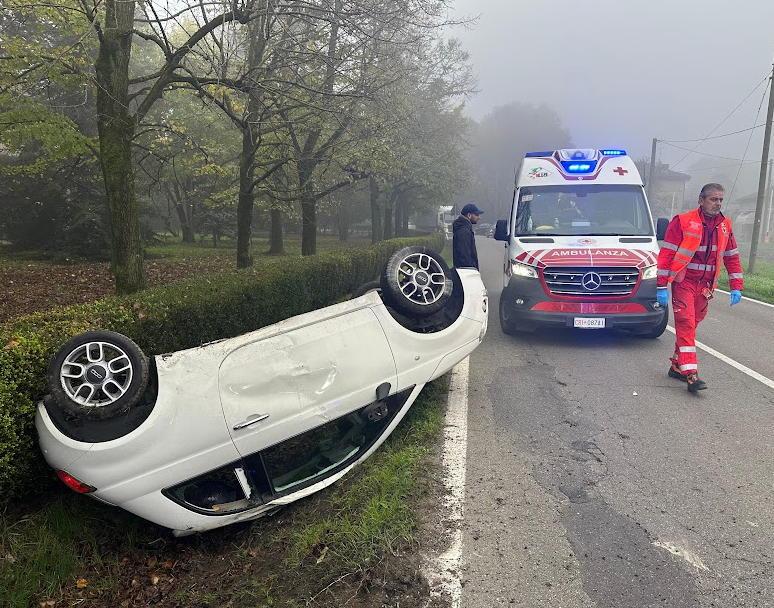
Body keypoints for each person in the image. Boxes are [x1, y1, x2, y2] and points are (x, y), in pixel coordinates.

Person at [656, 183, 744, 393]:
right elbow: (667, 254)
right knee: (686, 324)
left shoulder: (725, 225)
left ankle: (677, 366)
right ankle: (691, 374)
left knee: (692, 326)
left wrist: (736, 286)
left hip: (706, 287)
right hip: (684, 282)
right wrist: (661, 286)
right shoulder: (683, 221)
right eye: (714, 199)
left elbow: (732, 257)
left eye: (721, 199)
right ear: (701, 200)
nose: (718, 203)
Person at [452, 203, 483, 269]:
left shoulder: (464, 228)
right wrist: (472, 269)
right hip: (466, 272)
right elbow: (464, 256)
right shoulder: (464, 231)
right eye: (476, 215)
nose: (479, 217)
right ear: (469, 215)